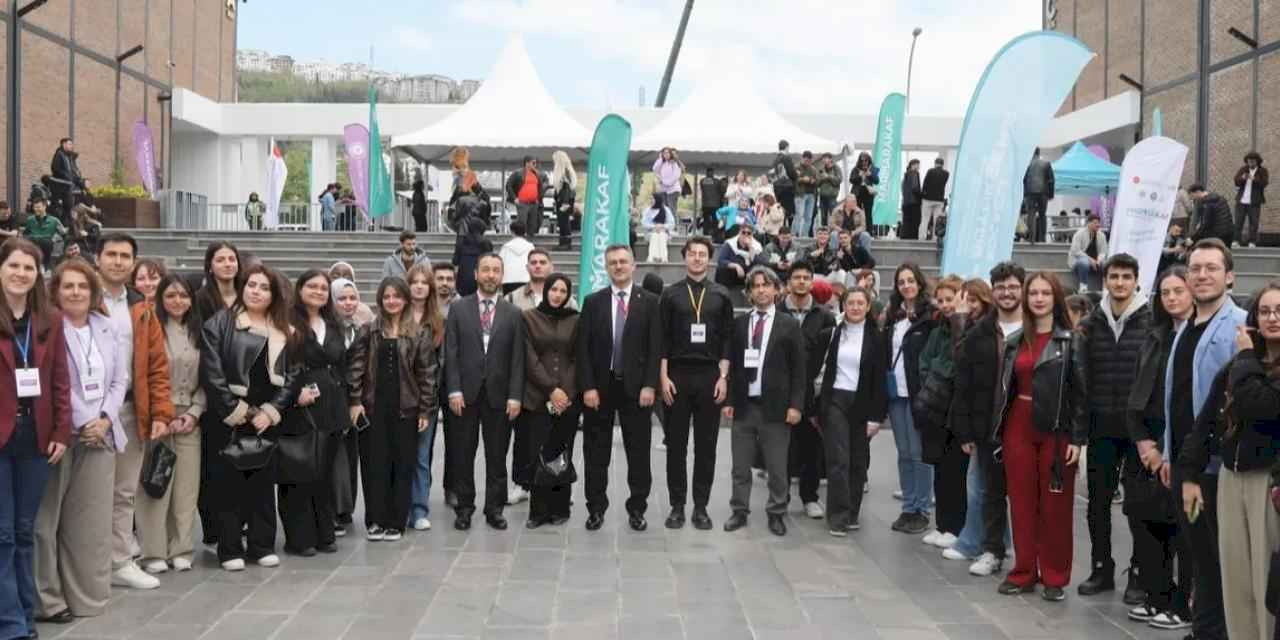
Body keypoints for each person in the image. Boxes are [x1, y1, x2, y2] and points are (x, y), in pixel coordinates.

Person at [1178, 280, 1280, 640]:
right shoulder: (1240, 364)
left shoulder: (1244, 362)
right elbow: (1207, 419)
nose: (1272, 318)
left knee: (1265, 581)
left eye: (1279, 311)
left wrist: (1247, 358)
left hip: (1268, 483)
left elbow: (1262, 406)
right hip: (1229, 479)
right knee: (1235, 579)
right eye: (1264, 311)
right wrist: (1189, 473)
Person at [32, 259, 125, 623]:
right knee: (46, 522)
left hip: (101, 434)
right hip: (60, 435)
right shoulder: (46, 326)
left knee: (90, 525)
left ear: (93, 291)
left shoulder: (106, 327)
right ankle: (48, 600)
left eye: (83, 286)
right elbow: (54, 381)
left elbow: (120, 380)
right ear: (55, 291)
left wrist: (105, 418)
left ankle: (87, 597)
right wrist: (86, 419)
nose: (75, 292)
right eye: (68, 286)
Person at [1169, 239, 1247, 640]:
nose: (1202, 275)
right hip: (1185, 467)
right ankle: (1205, 629)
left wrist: (1197, 469)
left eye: (1211, 268)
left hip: (1213, 472)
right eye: (1195, 268)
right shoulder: (1186, 326)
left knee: (1218, 558)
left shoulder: (1240, 327)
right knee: (1200, 552)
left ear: (1229, 277)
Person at [995, 271, 1086, 602]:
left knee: (1055, 507)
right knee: (1020, 504)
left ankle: (1054, 576)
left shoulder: (1071, 340)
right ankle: (1023, 571)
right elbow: (1005, 388)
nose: (1038, 299)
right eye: (1033, 293)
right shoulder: (1016, 340)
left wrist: (1077, 438)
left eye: (1045, 293)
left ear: (1055, 297)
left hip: (1057, 431)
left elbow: (1081, 393)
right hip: (1018, 427)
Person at [200, 264, 296, 571]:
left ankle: (261, 545)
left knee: (263, 484)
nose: (256, 291)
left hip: (265, 417)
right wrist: (236, 411)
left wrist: (271, 411)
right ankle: (229, 549)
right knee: (227, 485)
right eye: (252, 285)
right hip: (229, 417)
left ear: (274, 295)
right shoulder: (220, 323)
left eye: (264, 288)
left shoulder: (284, 328)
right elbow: (212, 372)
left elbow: (293, 375)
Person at [93, 233, 173, 591]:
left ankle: (119, 561)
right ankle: (87, 564)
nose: (117, 261)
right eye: (111, 254)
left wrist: (160, 413)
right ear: (98, 259)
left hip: (129, 409)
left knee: (124, 492)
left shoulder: (140, 308)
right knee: (88, 494)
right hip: (89, 414)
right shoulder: (82, 298)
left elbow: (157, 365)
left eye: (125, 256)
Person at [0, 239, 70, 639]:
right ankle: (11, 623)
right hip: (1, 435)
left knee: (25, 531)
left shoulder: (50, 319)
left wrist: (61, 431)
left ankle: (25, 616)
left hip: (36, 437)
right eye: (14, 265)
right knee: (3, 534)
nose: (21, 273)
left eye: (28, 267)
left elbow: (60, 378)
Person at [1075, 253, 1152, 602]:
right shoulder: (1091, 323)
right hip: (1101, 424)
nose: (1119, 282)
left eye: (1126, 276)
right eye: (1114, 276)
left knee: (1137, 504)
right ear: (1105, 280)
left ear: (1136, 280)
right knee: (1097, 503)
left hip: (1138, 429)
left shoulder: (1152, 321)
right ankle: (1101, 567)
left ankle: (1138, 572)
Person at [1124, 265, 1194, 631]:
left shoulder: (1197, 336)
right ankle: (1156, 596)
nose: (1171, 298)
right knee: (1146, 521)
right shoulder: (1156, 336)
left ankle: (1184, 605)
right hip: (1146, 442)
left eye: (1178, 291)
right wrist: (1143, 442)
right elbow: (1138, 390)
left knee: (1182, 531)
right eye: (1165, 292)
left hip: (1179, 444)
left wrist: (1164, 449)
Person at [947, 261, 1025, 577]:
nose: (1007, 293)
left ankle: (1028, 557)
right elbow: (963, 382)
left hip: (1027, 427)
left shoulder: (1037, 329)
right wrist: (965, 430)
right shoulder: (980, 332)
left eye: (1013, 287)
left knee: (1026, 498)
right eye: (1001, 287)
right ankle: (992, 550)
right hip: (989, 427)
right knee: (991, 493)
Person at [577, 245, 662, 532]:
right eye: (612, 262)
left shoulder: (650, 302)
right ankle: (595, 508)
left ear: (633, 265)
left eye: (623, 261)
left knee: (638, 453)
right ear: (606, 267)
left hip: (637, 390)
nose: (618, 266)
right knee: (595, 452)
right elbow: (583, 349)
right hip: (600, 389)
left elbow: (655, 347)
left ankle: (637, 508)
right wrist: (588, 387)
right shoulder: (593, 302)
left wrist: (650, 384)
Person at [347, 276, 436, 543]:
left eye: (396, 296)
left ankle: (397, 522)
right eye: (386, 296)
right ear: (380, 300)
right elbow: (356, 368)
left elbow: (427, 374)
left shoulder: (419, 332)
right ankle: (375, 520)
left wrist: (425, 410)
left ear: (406, 299)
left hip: (406, 408)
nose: (391, 301)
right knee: (374, 465)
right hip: (372, 408)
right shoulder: (369, 330)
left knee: (403, 464)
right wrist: (354, 401)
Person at [444, 254, 525, 531]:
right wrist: (453, 390)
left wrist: (515, 395)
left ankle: (494, 509)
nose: (491, 275)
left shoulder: (513, 313)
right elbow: (451, 352)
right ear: (476, 274)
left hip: (499, 397)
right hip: (464, 395)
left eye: (496, 270)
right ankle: (464, 508)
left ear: (502, 276)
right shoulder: (458, 309)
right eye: (486, 270)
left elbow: (518, 358)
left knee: (497, 456)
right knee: (463, 454)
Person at [722, 266, 805, 536]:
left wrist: (796, 405)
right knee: (740, 466)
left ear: (777, 290)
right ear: (749, 293)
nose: (761, 290)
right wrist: (730, 400)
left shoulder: (789, 325)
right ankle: (739, 510)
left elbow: (799, 370)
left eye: (766, 285)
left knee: (777, 467)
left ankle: (777, 512)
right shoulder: (739, 324)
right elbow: (733, 366)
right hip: (744, 406)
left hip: (777, 409)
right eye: (756, 286)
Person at [660, 237, 734, 530]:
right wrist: (663, 376)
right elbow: (663, 338)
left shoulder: (721, 294)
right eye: (692, 254)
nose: (698, 258)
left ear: (709, 259)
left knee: (706, 446)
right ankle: (677, 505)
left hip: (709, 375)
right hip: (677, 374)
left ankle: (700, 507)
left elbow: (727, 339)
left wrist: (723, 378)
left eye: (703, 254)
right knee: (676, 445)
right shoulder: (671, 294)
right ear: (685, 257)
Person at [135, 275, 205, 575]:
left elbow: (210, 377)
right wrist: (159, 415)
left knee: (186, 489)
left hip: (189, 418)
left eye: (184, 295)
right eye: (171, 295)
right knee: (155, 485)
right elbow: (144, 373)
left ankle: (181, 548)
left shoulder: (200, 331)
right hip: (158, 418)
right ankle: (153, 551)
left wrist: (194, 412)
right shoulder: (151, 327)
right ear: (161, 298)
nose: (178, 301)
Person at [274, 271, 345, 555]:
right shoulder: (286, 322)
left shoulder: (333, 323)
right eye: (312, 286)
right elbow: (279, 364)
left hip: (330, 405)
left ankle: (324, 533)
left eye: (323, 288)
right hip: (299, 405)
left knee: (324, 472)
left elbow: (340, 362)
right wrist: (294, 395)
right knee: (298, 471)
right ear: (300, 289)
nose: (318, 291)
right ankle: (299, 538)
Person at [817, 286, 889, 535]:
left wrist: (877, 417)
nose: (855, 307)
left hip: (863, 403)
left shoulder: (878, 338)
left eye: (860, 303)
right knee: (838, 459)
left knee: (858, 461)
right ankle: (837, 516)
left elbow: (880, 380)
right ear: (843, 306)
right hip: (836, 399)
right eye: (851, 303)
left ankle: (851, 513)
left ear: (868, 307)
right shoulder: (833, 333)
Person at [914, 275, 969, 550]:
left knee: (955, 471)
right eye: (941, 300)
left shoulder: (967, 329)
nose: (946, 305)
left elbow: (957, 366)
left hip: (956, 412)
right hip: (936, 408)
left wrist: (938, 370)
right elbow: (924, 363)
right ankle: (943, 524)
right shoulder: (938, 331)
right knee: (939, 468)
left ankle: (956, 527)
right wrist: (937, 372)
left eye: (950, 299)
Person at [520, 273, 579, 528]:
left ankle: (560, 508)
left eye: (563, 291)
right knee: (537, 451)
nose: (557, 295)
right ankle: (538, 511)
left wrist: (564, 392)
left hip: (567, 399)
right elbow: (529, 357)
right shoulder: (529, 318)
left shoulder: (575, 320)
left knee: (562, 452)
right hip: (537, 397)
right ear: (546, 291)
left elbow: (578, 358)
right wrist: (550, 390)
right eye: (554, 289)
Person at [778, 262, 835, 517]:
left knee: (811, 446)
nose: (801, 281)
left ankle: (810, 497)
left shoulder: (825, 316)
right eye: (797, 277)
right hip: (781, 390)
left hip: (812, 391)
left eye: (806, 277)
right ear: (788, 282)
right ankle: (780, 497)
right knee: (780, 446)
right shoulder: (777, 311)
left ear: (812, 282)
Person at [193, 241, 240, 547]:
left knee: (242, 459)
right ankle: (213, 526)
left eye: (231, 259)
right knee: (213, 462)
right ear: (210, 265)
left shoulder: (248, 295)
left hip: (245, 389)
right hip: (212, 391)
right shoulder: (200, 300)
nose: (227, 264)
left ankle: (240, 522)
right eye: (220, 259)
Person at [885, 263, 936, 534]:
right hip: (897, 395)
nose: (906, 286)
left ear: (919, 283)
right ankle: (908, 505)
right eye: (901, 281)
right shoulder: (893, 316)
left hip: (919, 395)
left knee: (918, 453)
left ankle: (922, 509)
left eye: (910, 280)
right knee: (904, 453)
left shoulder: (930, 316)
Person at [404, 265, 444, 532]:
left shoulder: (438, 321)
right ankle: (399, 506)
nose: (419, 286)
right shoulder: (396, 315)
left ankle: (419, 509)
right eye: (414, 282)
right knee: (399, 455)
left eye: (424, 282)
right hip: (398, 398)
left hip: (426, 398)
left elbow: (441, 362)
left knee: (420, 455)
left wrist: (430, 400)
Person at [329, 277, 365, 535]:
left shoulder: (359, 329)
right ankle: (334, 510)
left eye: (353, 298)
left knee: (350, 457)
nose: (348, 303)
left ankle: (346, 508)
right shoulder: (326, 330)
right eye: (342, 298)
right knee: (334, 459)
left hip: (354, 402)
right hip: (332, 402)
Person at [714, 223, 764, 292]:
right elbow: (721, 260)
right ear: (739, 233)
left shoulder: (756, 246)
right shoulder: (730, 244)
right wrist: (736, 266)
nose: (746, 235)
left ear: (752, 235)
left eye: (749, 233)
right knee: (722, 269)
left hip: (746, 279)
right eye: (743, 232)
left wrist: (750, 247)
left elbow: (758, 263)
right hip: (729, 278)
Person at [1233, 151, 1268, 247]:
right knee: (1238, 221)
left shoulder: (1262, 171)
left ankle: (1252, 241)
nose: (1250, 163)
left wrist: (1253, 179)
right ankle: (1236, 240)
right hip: (1241, 200)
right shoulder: (1243, 169)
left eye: (1252, 161)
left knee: (1254, 222)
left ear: (1257, 161)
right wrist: (1243, 178)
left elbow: (1264, 183)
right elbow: (1236, 181)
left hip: (1254, 201)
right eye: (1249, 161)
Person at [505, 156, 546, 235]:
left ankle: (530, 240)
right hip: (522, 203)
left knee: (532, 226)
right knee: (522, 225)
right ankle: (520, 240)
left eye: (535, 163)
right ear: (527, 163)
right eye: (533, 163)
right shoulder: (517, 173)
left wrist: (538, 198)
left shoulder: (536, 174)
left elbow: (540, 187)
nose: (535, 165)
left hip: (534, 204)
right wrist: (514, 198)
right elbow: (508, 185)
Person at [1068, 214, 1109, 292]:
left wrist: (1098, 260)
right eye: (1095, 223)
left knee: (1105, 263)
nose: (1098, 225)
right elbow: (1076, 251)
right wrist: (1090, 260)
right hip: (1079, 262)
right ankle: (1083, 287)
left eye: (1098, 223)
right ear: (1088, 223)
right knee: (1084, 262)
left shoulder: (1102, 235)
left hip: (1095, 262)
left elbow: (1103, 251)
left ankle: (1105, 286)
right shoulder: (1079, 233)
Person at [1023, 147, 1055, 244]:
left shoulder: (1026, 164)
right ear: (1039, 153)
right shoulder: (1046, 163)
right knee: (1042, 215)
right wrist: (1051, 194)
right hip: (1043, 192)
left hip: (1030, 192)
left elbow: (1023, 179)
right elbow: (1051, 180)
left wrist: (1024, 193)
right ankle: (1042, 238)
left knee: (1031, 214)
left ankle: (1031, 238)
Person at [22, 195, 63, 269]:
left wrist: (54, 239)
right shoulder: (30, 220)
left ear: (44, 207)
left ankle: (45, 267)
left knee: (46, 242)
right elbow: (25, 234)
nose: (36, 209)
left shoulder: (54, 220)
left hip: (47, 245)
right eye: (34, 207)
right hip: (33, 244)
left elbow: (63, 234)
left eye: (38, 207)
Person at [49, 139, 84, 221]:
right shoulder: (59, 154)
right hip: (59, 186)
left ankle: (66, 222)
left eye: (72, 144)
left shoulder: (67, 156)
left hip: (66, 185)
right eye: (69, 144)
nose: (71, 146)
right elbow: (55, 168)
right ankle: (59, 222)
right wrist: (67, 176)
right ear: (64, 144)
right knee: (60, 205)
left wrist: (77, 179)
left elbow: (72, 171)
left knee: (68, 205)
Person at [498, 222, 534, 296]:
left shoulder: (506, 247)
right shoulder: (530, 247)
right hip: (526, 279)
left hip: (508, 279)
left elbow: (499, 263)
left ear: (512, 231)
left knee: (508, 302)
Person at [550, 151, 577, 250]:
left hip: (564, 203)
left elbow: (567, 188)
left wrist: (565, 203)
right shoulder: (567, 171)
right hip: (564, 202)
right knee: (563, 223)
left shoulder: (565, 172)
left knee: (564, 223)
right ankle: (564, 243)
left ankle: (566, 244)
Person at [792, 151, 818, 237]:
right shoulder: (796, 167)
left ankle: (804, 235)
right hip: (800, 194)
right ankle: (795, 235)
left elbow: (817, 181)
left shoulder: (813, 169)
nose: (808, 162)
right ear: (802, 158)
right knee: (799, 215)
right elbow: (794, 179)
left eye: (809, 161)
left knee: (809, 217)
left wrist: (812, 180)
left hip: (811, 195)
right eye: (806, 160)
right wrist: (803, 179)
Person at [772, 140, 798, 229]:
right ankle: (789, 230)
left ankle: (781, 229)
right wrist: (796, 175)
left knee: (780, 210)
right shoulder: (786, 157)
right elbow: (791, 172)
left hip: (777, 187)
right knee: (789, 212)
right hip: (787, 187)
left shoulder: (776, 159)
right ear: (786, 147)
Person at [922, 158, 949, 240]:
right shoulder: (946, 173)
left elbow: (925, 183)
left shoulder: (930, 171)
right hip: (939, 199)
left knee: (925, 219)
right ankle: (935, 238)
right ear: (943, 164)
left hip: (928, 199)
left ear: (935, 163)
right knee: (936, 220)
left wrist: (923, 194)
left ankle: (922, 237)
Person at [816, 153, 843, 231]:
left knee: (833, 215)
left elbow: (839, 180)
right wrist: (821, 178)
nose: (824, 160)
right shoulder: (821, 169)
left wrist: (828, 176)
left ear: (830, 159)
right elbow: (817, 183)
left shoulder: (836, 168)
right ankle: (823, 232)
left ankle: (834, 232)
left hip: (832, 196)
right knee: (823, 216)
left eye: (826, 158)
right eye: (823, 159)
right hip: (822, 195)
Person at [899, 159, 923, 240]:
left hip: (906, 203)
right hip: (914, 202)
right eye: (918, 165)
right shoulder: (914, 173)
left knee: (906, 221)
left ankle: (904, 236)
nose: (919, 167)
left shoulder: (905, 175)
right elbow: (915, 188)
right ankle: (913, 237)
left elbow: (903, 189)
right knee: (915, 221)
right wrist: (922, 195)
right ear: (913, 165)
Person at [698, 167, 724, 239]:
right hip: (715, 205)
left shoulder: (702, 181)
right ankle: (714, 236)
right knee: (715, 221)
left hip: (705, 205)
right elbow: (721, 191)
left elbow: (703, 189)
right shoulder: (717, 181)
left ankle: (705, 235)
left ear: (706, 173)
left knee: (706, 221)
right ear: (713, 173)